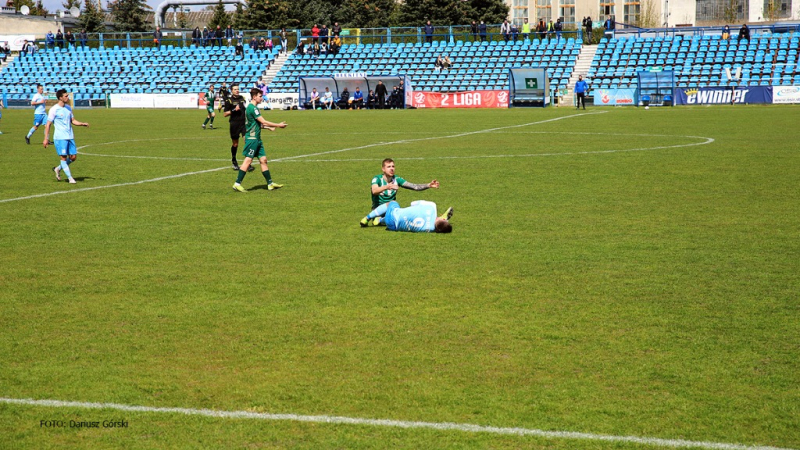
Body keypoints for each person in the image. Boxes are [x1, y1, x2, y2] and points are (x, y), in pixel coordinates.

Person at [232, 88, 287, 193]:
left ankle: (270, 184)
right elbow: (263, 121)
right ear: (254, 97)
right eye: (260, 96)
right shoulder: (253, 108)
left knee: (263, 160)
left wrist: (268, 128)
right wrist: (278, 125)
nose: (262, 98)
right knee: (248, 160)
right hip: (252, 139)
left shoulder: (252, 108)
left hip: (257, 139)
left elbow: (256, 124)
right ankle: (237, 184)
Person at [359, 158, 440, 226]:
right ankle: (367, 218)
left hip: (391, 212)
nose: (392, 168)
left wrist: (428, 185)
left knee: (406, 214)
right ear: (383, 169)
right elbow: (374, 191)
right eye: (389, 167)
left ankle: (380, 220)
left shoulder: (397, 179)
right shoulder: (377, 179)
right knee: (392, 203)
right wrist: (386, 187)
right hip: (376, 211)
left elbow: (414, 187)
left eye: (393, 166)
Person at [44, 89, 89, 184]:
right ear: (60, 98)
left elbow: (73, 120)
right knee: (63, 158)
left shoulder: (68, 108)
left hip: (70, 136)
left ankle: (58, 169)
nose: (68, 97)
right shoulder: (54, 109)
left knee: (73, 157)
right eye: (66, 96)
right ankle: (70, 178)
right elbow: (48, 124)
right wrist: (46, 138)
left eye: (68, 96)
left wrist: (82, 124)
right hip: (60, 138)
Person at [369, 201, 453, 233]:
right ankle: (380, 220)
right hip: (393, 227)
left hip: (392, 216)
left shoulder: (432, 206)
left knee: (392, 203)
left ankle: (367, 218)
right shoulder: (430, 229)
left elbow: (412, 203)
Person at [223, 84, 254, 172]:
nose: (237, 90)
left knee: (247, 142)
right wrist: (233, 110)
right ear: (231, 91)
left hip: (243, 124)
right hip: (234, 124)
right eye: (235, 89)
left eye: (238, 89)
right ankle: (234, 160)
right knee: (235, 144)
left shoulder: (242, 98)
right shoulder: (229, 100)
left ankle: (248, 164)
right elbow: (225, 114)